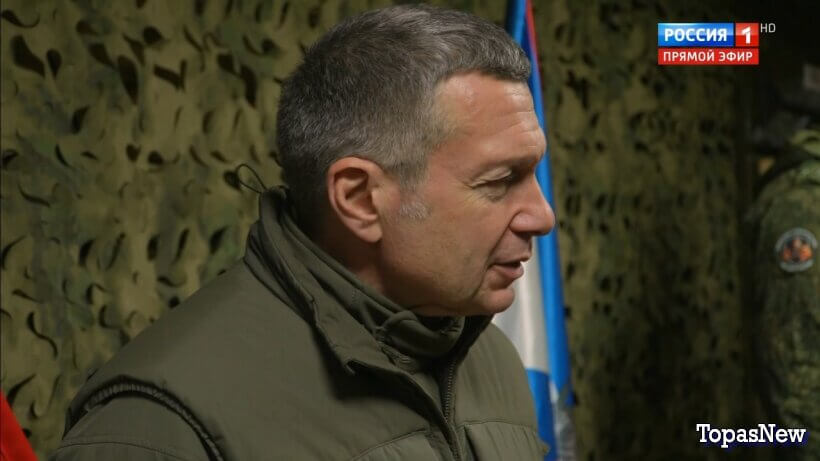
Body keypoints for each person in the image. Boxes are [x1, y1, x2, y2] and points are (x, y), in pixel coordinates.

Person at [51, 4, 554, 460]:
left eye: (533, 174)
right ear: (360, 199)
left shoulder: (490, 356)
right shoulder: (160, 428)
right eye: (499, 181)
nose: (543, 216)